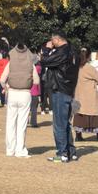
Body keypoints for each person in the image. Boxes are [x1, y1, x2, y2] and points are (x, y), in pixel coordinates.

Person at [41, 32, 79, 163]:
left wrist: (47, 50)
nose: (51, 43)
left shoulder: (62, 52)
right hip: (69, 89)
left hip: (60, 89)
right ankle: (70, 152)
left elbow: (45, 61)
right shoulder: (73, 51)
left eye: (52, 40)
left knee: (59, 124)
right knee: (65, 123)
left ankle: (62, 153)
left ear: (57, 39)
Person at [0, 42, 38, 158]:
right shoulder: (31, 63)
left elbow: (2, 79)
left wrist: (6, 87)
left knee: (10, 122)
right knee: (22, 124)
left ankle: (10, 149)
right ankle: (20, 149)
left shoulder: (10, 63)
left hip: (12, 93)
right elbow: (37, 81)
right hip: (25, 94)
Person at [73, 49, 98, 142]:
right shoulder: (89, 68)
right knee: (95, 115)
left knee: (79, 114)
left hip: (79, 93)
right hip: (89, 94)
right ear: (88, 57)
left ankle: (78, 135)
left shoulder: (75, 67)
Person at [29, 58, 42, 128]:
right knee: (34, 108)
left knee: (26, 108)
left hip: (28, 91)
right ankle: (33, 123)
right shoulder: (38, 68)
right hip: (35, 92)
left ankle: (25, 121)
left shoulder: (28, 69)